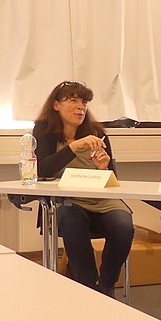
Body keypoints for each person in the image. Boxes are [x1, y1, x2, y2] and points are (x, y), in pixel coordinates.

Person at [33, 81, 134, 296]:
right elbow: (41, 169)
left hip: (101, 199)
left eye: (84, 102)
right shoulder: (44, 131)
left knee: (123, 224)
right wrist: (74, 147)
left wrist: (104, 168)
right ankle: (88, 286)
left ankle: (106, 284)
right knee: (72, 217)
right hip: (67, 201)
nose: (81, 107)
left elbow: (112, 181)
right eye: (73, 100)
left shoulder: (97, 132)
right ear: (56, 105)